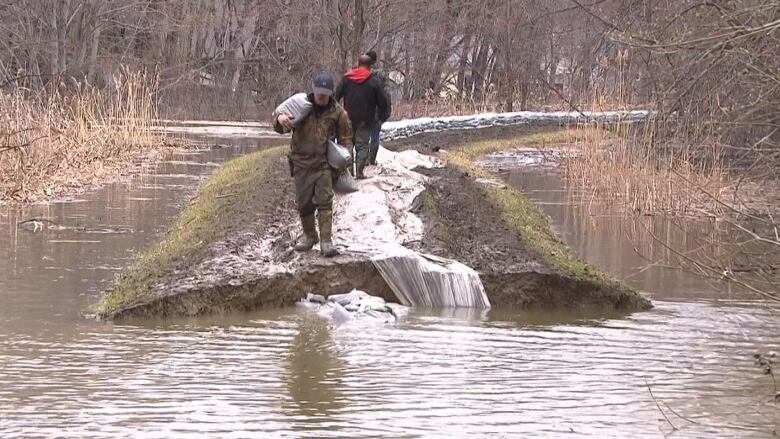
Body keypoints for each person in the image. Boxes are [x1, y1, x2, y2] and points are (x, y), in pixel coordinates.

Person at [273, 72, 353, 257]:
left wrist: (344, 161)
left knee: (325, 201)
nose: (321, 96)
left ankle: (326, 241)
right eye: (318, 92)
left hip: (324, 164)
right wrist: (280, 120)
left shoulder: (339, 113)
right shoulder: (300, 105)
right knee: (304, 203)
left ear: (331, 93)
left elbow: (346, 139)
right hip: (301, 162)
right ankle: (310, 236)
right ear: (314, 90)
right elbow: (278, 126)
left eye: (325, 93)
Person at [335, 54, 391, 179]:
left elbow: (336, 96)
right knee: (362, 146)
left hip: (347, 118)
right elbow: (383, 100)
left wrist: (334, 112)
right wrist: (383, 116)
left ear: (358, 64)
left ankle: (349, 173)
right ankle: (360, 172)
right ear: (370, 66)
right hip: (366, 119)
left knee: (348, 145)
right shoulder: (374, 81)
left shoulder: (346, 78)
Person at [365, 49, 391, 165]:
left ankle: (363, 160)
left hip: (362, 110)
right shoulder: (381, 75)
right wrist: (386, 111)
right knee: (375, 136)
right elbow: (386, 95)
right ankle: (372, 160)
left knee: (363, 137)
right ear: (375, 60)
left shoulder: (361, 74)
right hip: (377, 111)